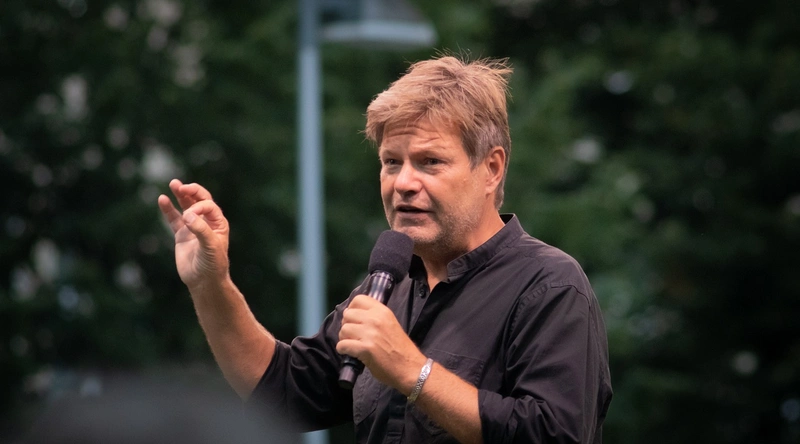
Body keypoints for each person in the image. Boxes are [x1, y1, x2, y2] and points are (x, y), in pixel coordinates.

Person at [158, 55, 612, 444]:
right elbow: (282, 394)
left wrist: (414, 372)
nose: (404, 183)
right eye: (392, 162)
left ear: (491, 169)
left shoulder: (550, 286)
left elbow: (556, 434)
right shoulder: (387, 288)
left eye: (430, 162)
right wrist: (210, 283)